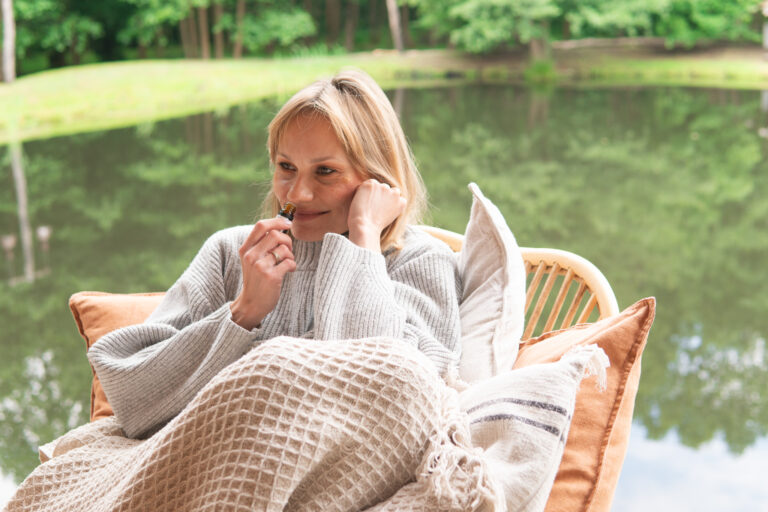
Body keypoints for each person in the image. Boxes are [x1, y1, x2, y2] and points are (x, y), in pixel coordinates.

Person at [88, 69, 462, 440]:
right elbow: (130, 397)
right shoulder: (229, 254)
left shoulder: (420, 261)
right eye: (286, 168)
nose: (297, 194)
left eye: (326, 172)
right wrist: (244, 312)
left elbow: (384, 405)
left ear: (377, 179)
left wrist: (363, 238)